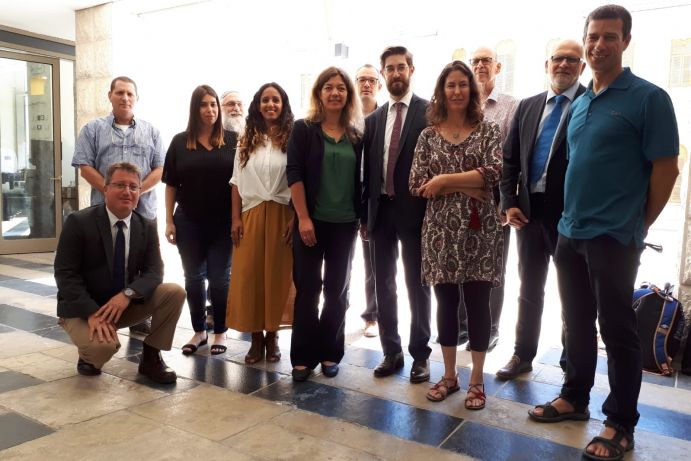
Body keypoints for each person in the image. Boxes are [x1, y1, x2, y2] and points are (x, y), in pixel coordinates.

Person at [528, 6, 679, 461]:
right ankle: (575, 397)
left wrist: (639, 223)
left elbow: (666, 169)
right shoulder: (582, 101)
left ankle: (620, 423)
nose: (598, 45)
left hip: (615, 237)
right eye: (593, 36)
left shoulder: (649, 99)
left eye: (609, 37)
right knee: (575, 323)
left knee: (617, 331)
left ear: (626, 41)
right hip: (570, 233)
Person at [409, 61, 503, 410]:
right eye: (451, 85)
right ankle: (449, 376)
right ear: (441, 90)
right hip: (439, 233)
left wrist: (446, 181)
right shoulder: (428, 135)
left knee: (478, 304)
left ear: (472, 90)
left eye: (464, 85)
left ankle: (477, 380)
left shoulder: (489, 130)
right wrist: (469, 182)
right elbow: (416, 184)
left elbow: (494, 172)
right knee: (446, 304)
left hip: (480, 230)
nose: (458, 91)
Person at [496, 39, 586, 380]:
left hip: (570, 217)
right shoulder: (529, 106)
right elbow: (508, 161)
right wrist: (509, 202)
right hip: (529, 214)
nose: (563, 65)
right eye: (557, 59)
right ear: (546, 64)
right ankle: (522, 354)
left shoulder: (588, 104)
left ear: (582, 67)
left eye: (571, 60)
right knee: (529, 289)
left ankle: (571, 362)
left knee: (572, 294)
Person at [54, 162, 185, 384]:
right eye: (120, 185)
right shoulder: (79, 222)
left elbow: (154, 272)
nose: (127, 192)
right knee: (101, 350)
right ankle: (88, 354)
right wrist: (91, 312)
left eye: (134, 187)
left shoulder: (145, 226)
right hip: (83, 307)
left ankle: (151, 357)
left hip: (122, 305)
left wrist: (127, 295)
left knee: (174, 292)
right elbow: (65, 274)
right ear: (105, 189)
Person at [287, 66, 363, 382]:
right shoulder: (304, 129)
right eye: (328, 87)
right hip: (311, 222)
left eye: (341, 88)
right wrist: (303, 217)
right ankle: (303, 357)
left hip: (345, 225)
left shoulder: (357, 134)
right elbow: (295, 174)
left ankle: (331, 352)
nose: (334, 92)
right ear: (319, 93)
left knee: (337, 291)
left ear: (348, 95)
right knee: (307, 289)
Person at [72, 76, 164, 335]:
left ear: (136, 98)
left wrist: (134, 191)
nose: (125, 98)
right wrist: (110, 191)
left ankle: (139, 314)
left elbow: (160, 168)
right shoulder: (92, 129)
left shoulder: (151, 131)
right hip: (103, 211)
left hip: (143, 211)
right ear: (110, 95)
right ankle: (98, 311)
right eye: (120, 93)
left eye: (130, 94)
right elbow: (84, 165)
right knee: (101, 263)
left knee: (142, 266)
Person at [362, 46, 432, 383]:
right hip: (381, 213)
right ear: (382, 74)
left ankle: (421, 354)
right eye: (389, 68)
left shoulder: (429, 112)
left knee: (418, 284)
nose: (395, 73)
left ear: (411, 69)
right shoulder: (373, 120)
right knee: (383, 284)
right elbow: (367, 173)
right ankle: (391, 351)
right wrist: (365, 215)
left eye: (401, 67)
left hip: (417, 213)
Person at [162, 85, 237, 356]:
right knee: (193, 278)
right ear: (195, 109)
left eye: (214, 104)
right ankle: (198, 331)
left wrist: (238, 219)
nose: (210, 110)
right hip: (188, 222)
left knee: (219, 280)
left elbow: (239, 184)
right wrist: (169, 220)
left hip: (223, 223)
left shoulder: (233, 140)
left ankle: (220, 331)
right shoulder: (180, 142)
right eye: (204, 105)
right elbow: (170, 184)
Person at [227, 82, 295, 364]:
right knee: (251, 276)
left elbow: (298, 180)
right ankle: (255, 340)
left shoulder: (292, 137)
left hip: (282, 213)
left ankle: (272, 336)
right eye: (266, 100)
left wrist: (296, 216)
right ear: (258, 105)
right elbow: (235, 182)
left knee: (277, 278)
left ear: (283, 105)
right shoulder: (245, 139)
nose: (270, 105)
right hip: (251, 214)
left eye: (276, 100)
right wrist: (235, 218)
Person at [459, 47, 518, 350]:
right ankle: (460, 326)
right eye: (475, 61)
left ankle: (490, 327)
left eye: (486, 61)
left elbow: (515, 157)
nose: (481, 65)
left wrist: (507, 201)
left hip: (495, 195)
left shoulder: (511, 106)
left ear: (498, 66)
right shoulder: (460, 103)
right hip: (458, 195)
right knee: (459, 258)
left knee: (493, 265)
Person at [355, 64, 382, 338]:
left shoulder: (385, 117)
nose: (366, 84)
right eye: (361, 79)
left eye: (371, 80)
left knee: (372, 260)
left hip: (372, 198)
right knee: (342, 261)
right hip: (344, 197)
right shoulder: (346, 118)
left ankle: (372, 315)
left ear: (379, 85)